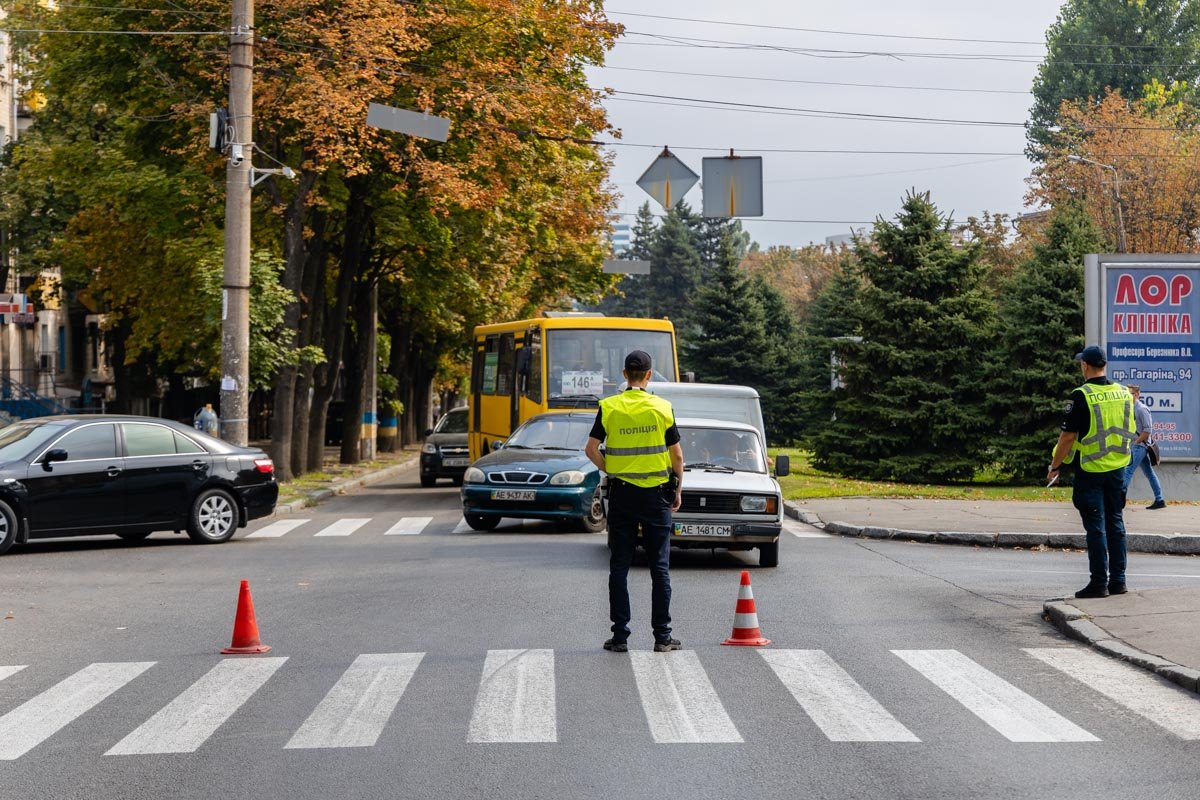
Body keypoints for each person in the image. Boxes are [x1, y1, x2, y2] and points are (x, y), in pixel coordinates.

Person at [585, 350, 685, 653]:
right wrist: (677, 489)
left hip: (623, 494)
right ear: (650, 375)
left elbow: (590, 449)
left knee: (619, 566)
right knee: (660, 567)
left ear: (625, 375)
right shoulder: (662, 408)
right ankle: (662, 637)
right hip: (656, 496)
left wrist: (612, 469)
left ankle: (620, 636)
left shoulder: (609, 407)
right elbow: (677, 455)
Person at [1048, 345, 1137, 599]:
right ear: (1104, 365)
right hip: (1118, 468)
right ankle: (1118, 581)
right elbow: (1129, 428)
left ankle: (1099, 583)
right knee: (1116, 524)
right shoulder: (1123, 393)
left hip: (1091, 471)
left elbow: (1067, 438)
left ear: (1085, 366)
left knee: (1096, 528)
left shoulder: (1081, 395)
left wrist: (1055, 467)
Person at [1123, 384, 1167, 510]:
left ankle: (1117, 499)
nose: (1127, 396)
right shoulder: (1130, 408)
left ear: (1137, 394)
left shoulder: (1142, 409)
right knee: (1149, 473)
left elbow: (1147, 430)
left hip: (1139, 447)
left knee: (1128, 471)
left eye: (1130, 394)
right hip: (1136, 445)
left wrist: (1136, 442)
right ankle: (1160, 499)